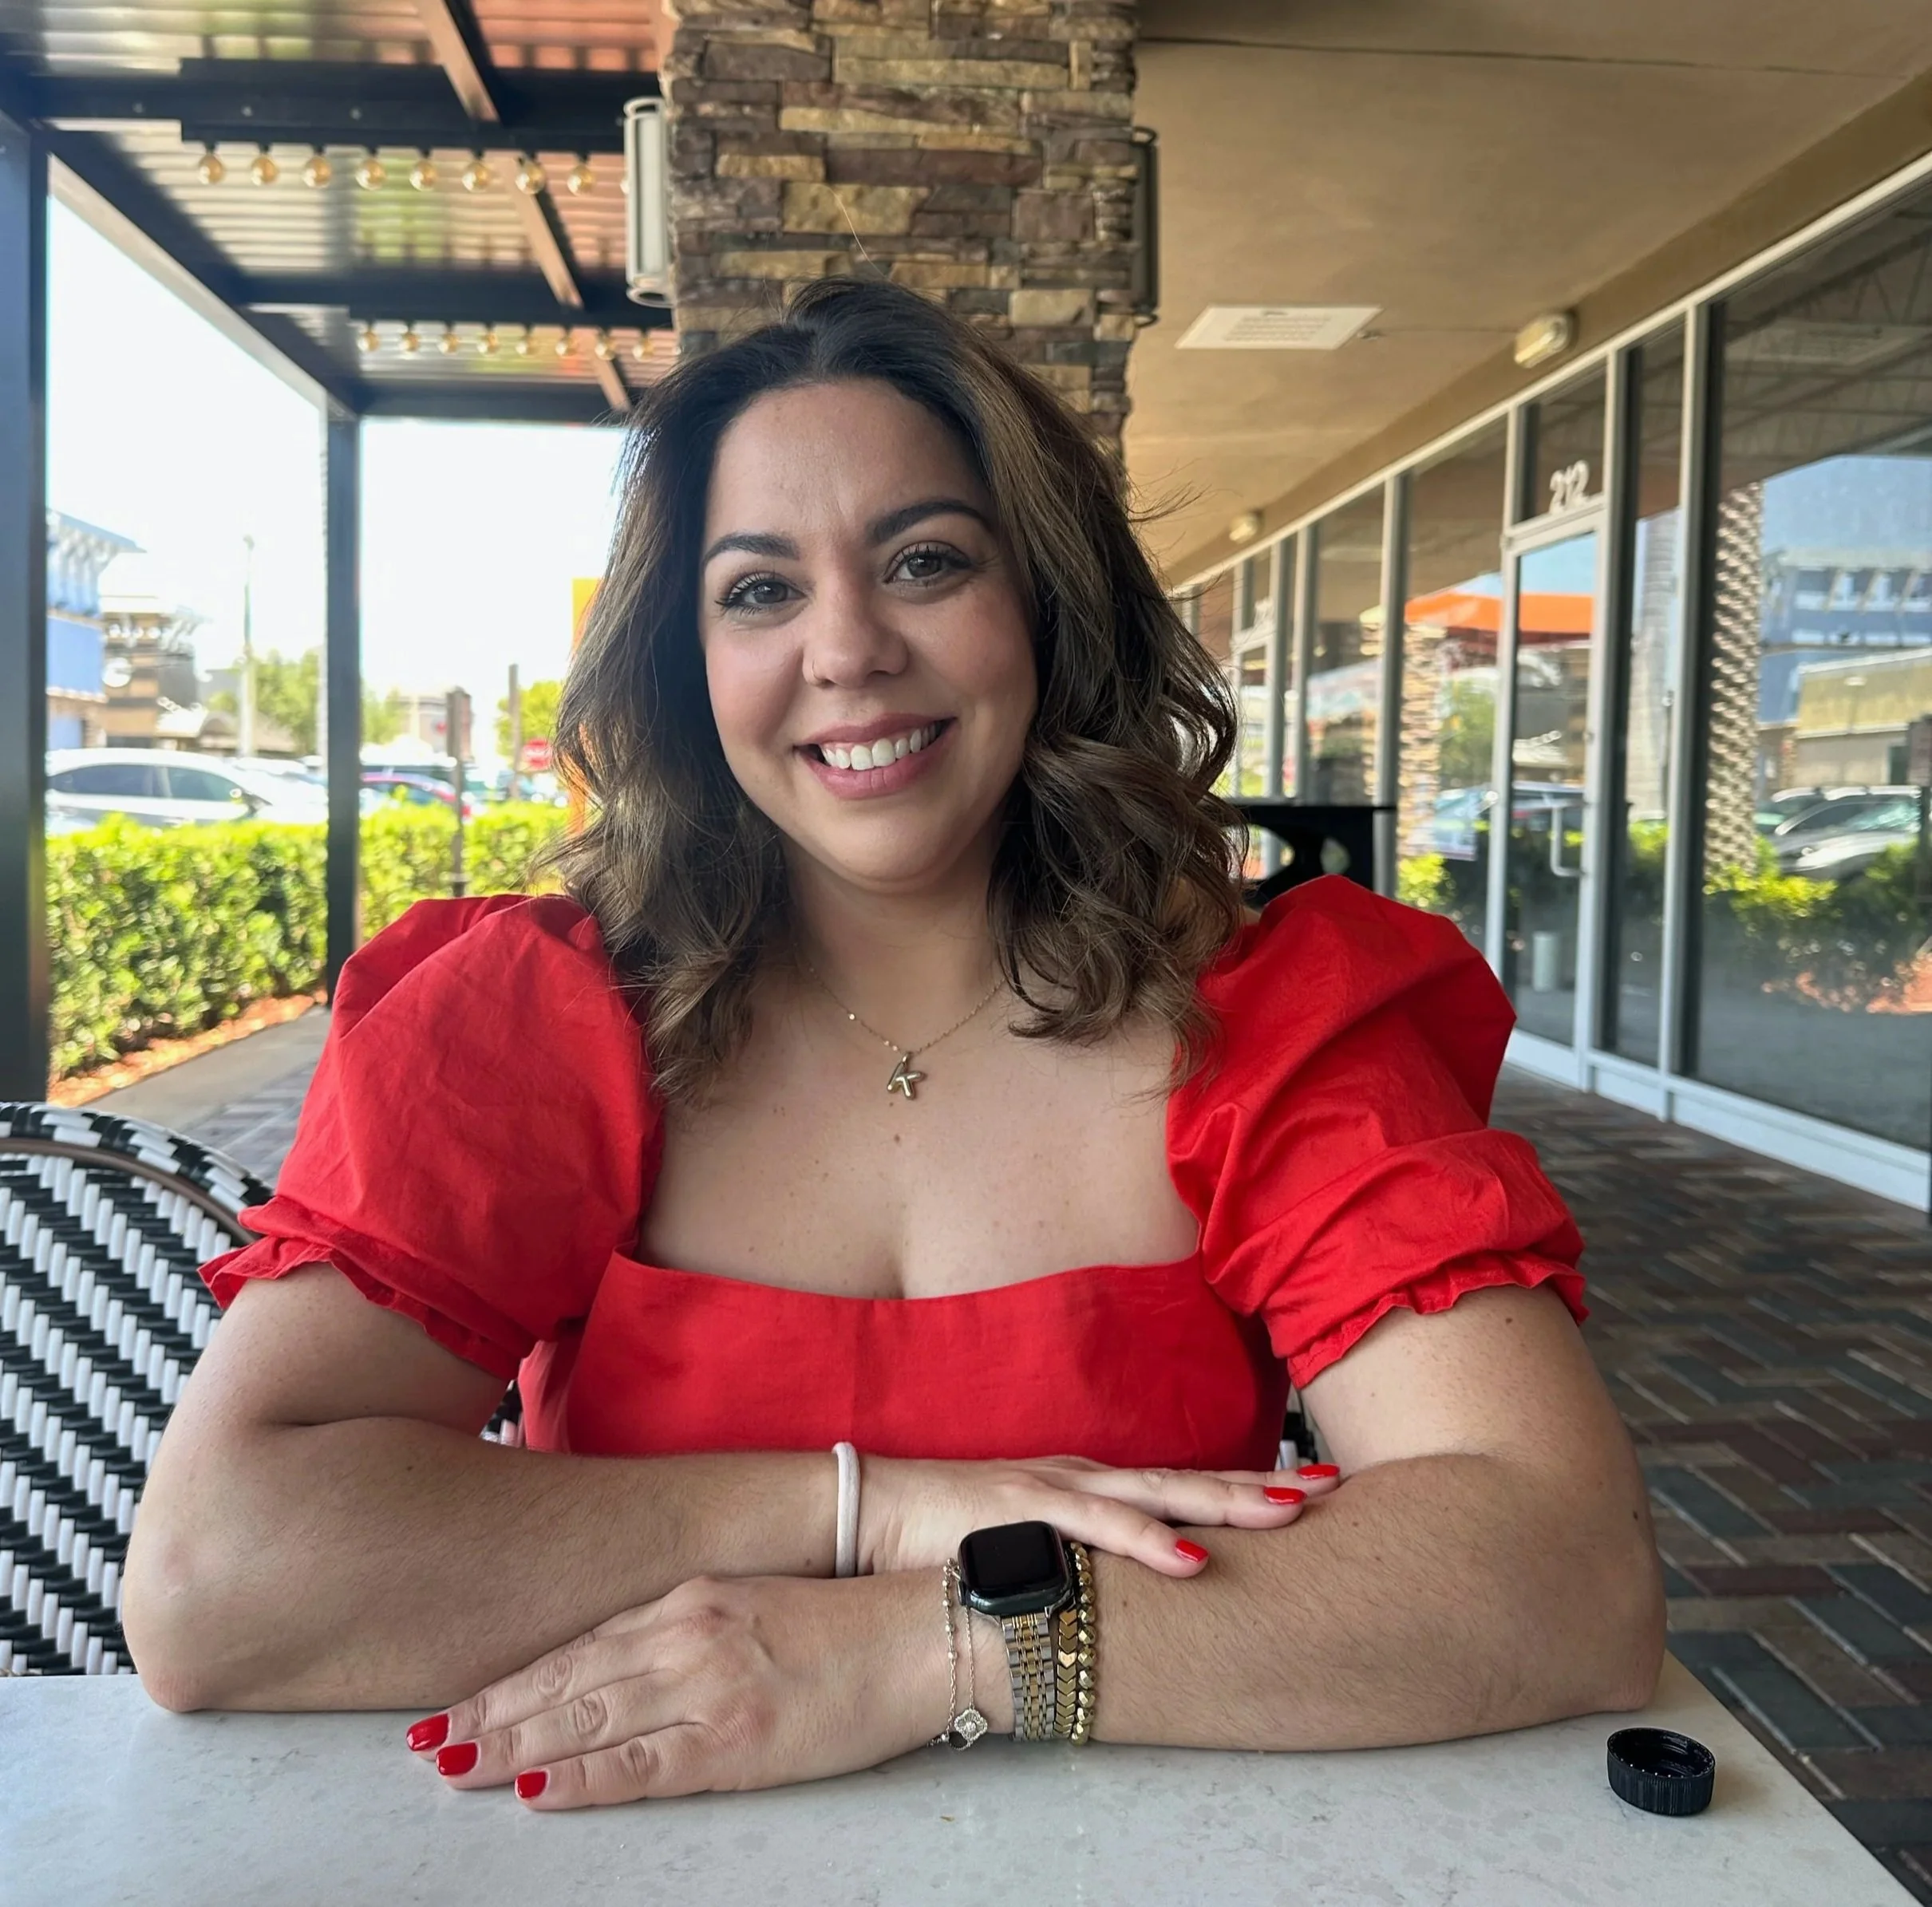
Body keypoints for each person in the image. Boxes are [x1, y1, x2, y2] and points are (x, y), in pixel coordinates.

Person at [124, 278, 1664, 1810]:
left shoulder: (1271, 1014)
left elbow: (1563, 1568)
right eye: (759, 590)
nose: (847, 649)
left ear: (1048, 611)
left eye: (925, 561)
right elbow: (215, 1581)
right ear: (689, 664)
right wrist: (865, 1510)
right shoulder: (536, 1018)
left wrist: (925, 1647)